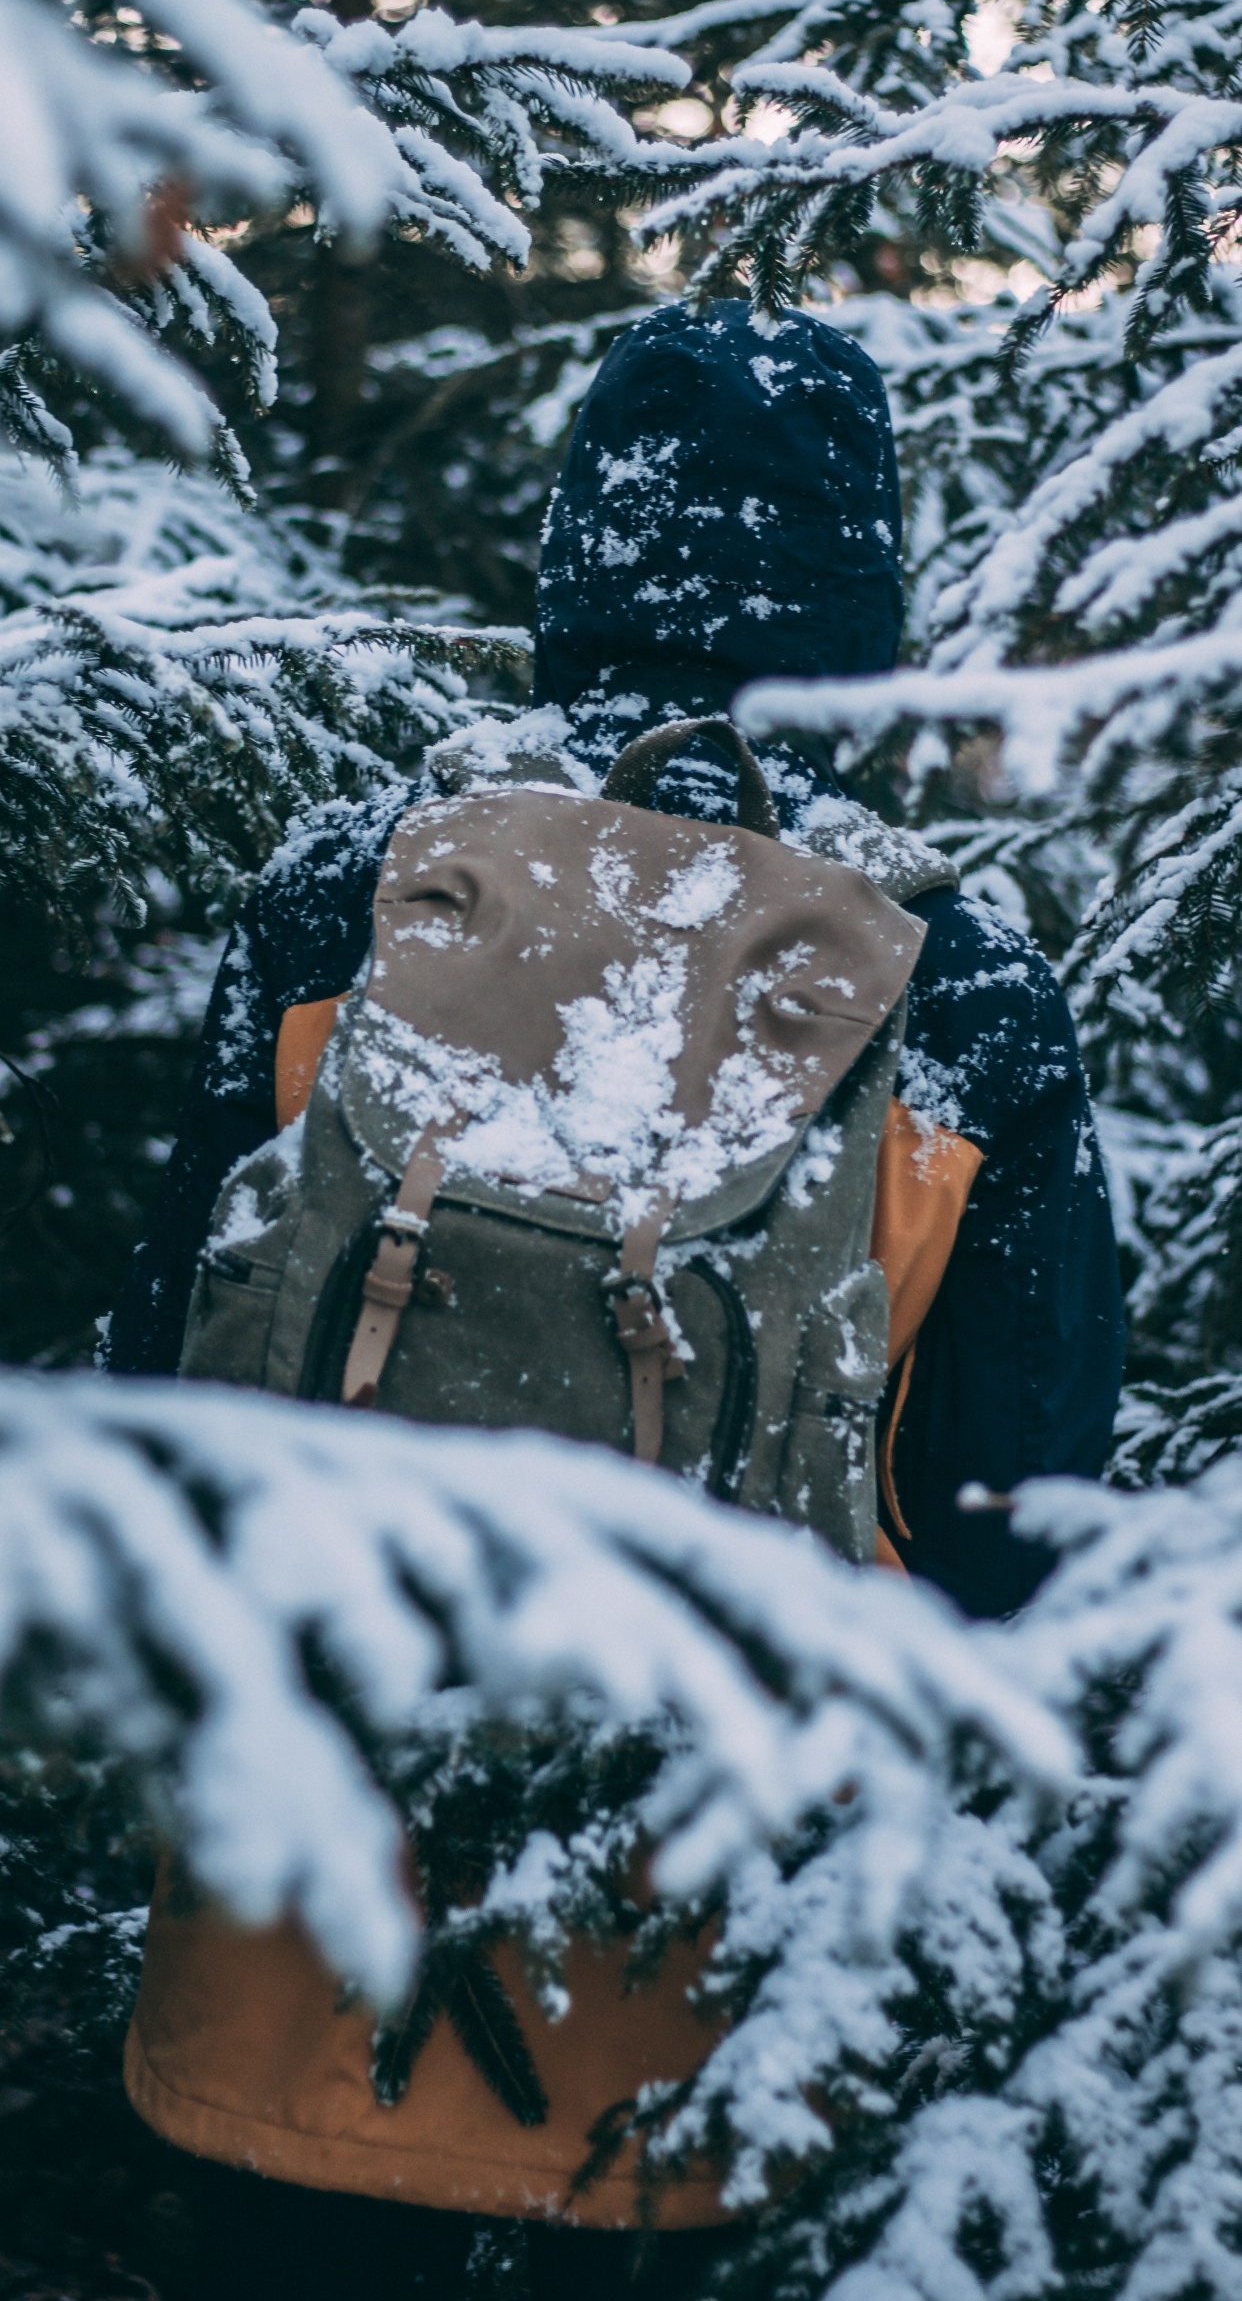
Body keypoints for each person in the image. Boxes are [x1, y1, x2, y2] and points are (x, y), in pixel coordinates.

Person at [108, 297, 1124, 2300]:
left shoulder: (363, 894)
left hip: (279, 1959)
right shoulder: (965, 989)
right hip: (705, 2015)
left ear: (578, 556)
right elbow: (1026, 1523)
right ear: (866, 600)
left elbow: (166, 1373)